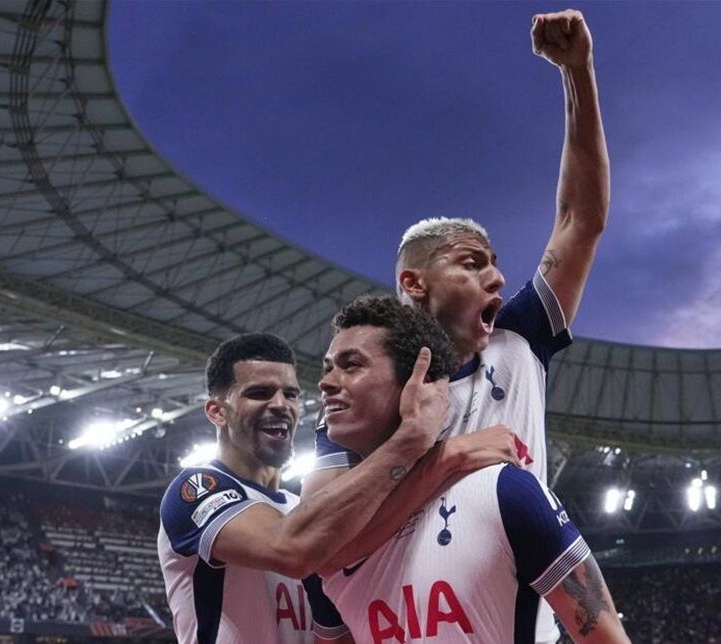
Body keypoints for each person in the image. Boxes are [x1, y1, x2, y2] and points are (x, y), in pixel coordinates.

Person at [304, 10, 610, 640]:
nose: (497, 277)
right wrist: (449, 456)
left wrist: (578, 73)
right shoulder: (367, 398)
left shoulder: (519, 338)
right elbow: (317, 543)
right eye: (471, 264)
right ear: (414, 283)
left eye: (494, 263)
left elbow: (579, 219)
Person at [157, 333, 515, 643]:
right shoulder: (196, 489)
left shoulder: (303, 508)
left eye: (291, 394)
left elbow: (348, 557)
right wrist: (414, 444)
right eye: (259, 393)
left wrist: (445, 460)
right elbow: (291, 548)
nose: (281, 405)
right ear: (217, 411)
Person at [310, 296, 629, 642]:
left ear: (416, 382)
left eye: (351, 365)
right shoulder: (318, 543)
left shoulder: (504, 493)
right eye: (327, 368)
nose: (326, 382)